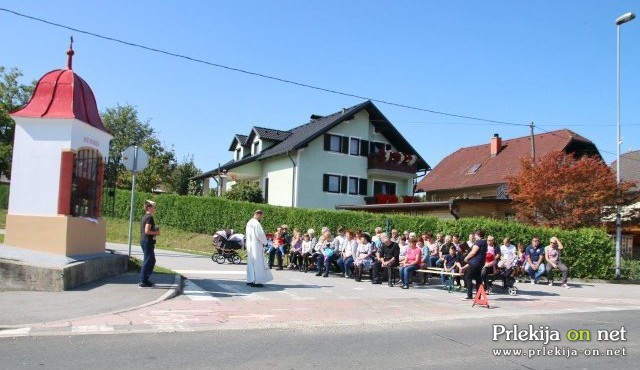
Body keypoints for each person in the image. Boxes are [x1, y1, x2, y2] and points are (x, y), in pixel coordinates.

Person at [245, 210, 273, 287]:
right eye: (261, 216)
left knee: (251, 263)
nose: (261, 218)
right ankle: (256, 281)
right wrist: (265, 242)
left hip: (250, 245)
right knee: (257, 263)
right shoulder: (256, 224)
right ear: (258, 214)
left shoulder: (249, 222)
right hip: (256, 246)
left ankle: (250, 280)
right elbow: (260, 235)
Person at [139, 200, 160, 288]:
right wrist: (156, 233)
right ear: (149, 208)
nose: (154, 209)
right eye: (153, 207)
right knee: (148, 261)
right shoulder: (149, 218)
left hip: (145, 241)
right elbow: (147, 231)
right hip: (147, 241)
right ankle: (143, 281)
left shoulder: (145, 216)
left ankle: (146, 279)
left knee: (151, 260)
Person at [462, 229, 487, 300]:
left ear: (478, 235)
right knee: (478, 279)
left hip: (474, 263)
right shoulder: (485, 242)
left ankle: (469, 295)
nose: (474, 236)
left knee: (468, 277)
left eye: (475, 235)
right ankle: (478, 296)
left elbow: (473, 252)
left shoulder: (478, 242)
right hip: (481, 263)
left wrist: (466, 258)